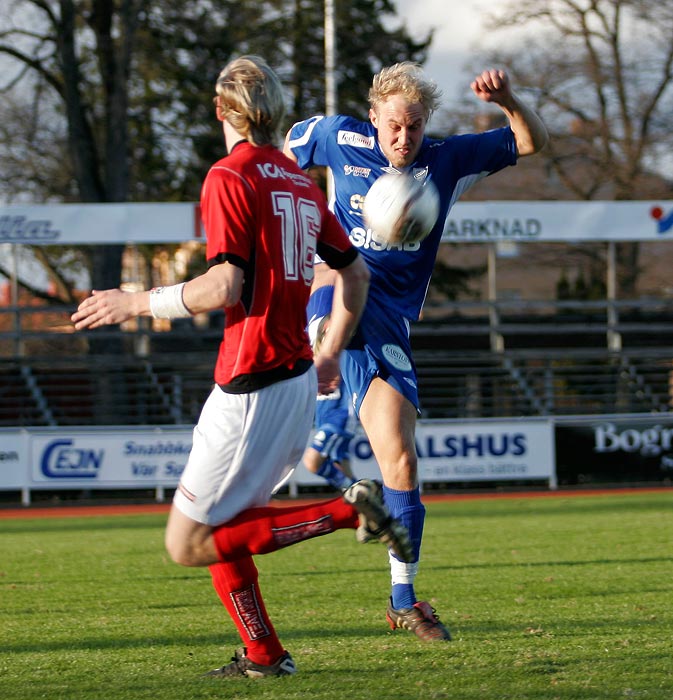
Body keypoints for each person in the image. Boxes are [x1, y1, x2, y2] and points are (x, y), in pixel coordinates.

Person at [71, 55, 413, 679]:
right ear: (275, 110)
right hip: (295, 381)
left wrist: (134, 302)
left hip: (252, 381)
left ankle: (349, 509)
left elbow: (223, 285)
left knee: (186, 543)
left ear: (221, 111)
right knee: (224, 525)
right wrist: (331, 348)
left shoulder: (231, 175)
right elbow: (354, 271)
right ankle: (264, 655)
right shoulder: (299, 181)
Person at [284, 63, 548, 642]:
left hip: (392, 322)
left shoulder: (447, 159)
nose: (405, 139)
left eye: (416, 127)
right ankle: (321, 368)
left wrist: (508, 100)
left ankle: (402, 599)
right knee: (333, 288)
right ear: (373, 118)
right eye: (395, 126)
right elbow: (285, 156)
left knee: (401, 461)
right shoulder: (337, 135)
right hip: (336, 289)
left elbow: (531, 141)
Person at [301, 263, 357, 491]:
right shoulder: (307, 332)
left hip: (341, 413)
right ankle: (364, 500)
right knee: (342, 466)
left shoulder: (330, 294)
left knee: (312, 462)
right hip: (323, 411)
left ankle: (354, 492)